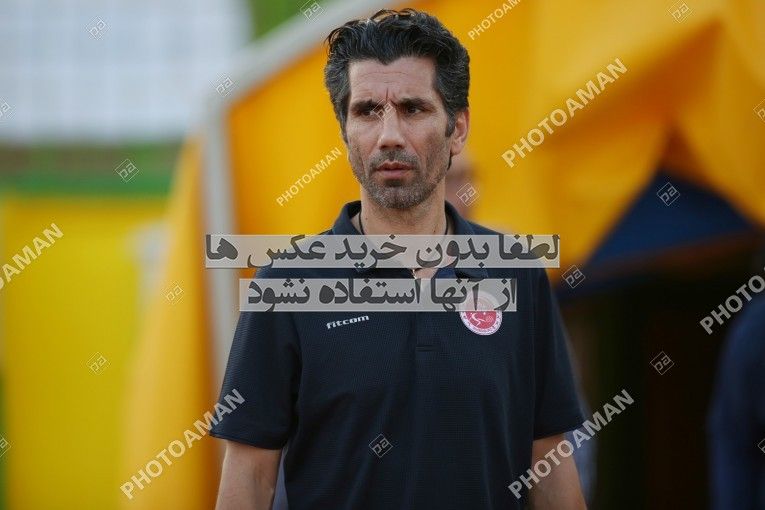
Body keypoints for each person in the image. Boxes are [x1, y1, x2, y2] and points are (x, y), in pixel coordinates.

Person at [211, 9, 586, 509]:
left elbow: (550, 461)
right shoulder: (286, 283)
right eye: (367, 111)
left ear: (457, 128)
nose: (389, 134)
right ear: (345, 132)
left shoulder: (516, 272)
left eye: (412, 108)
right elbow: (249, 477)